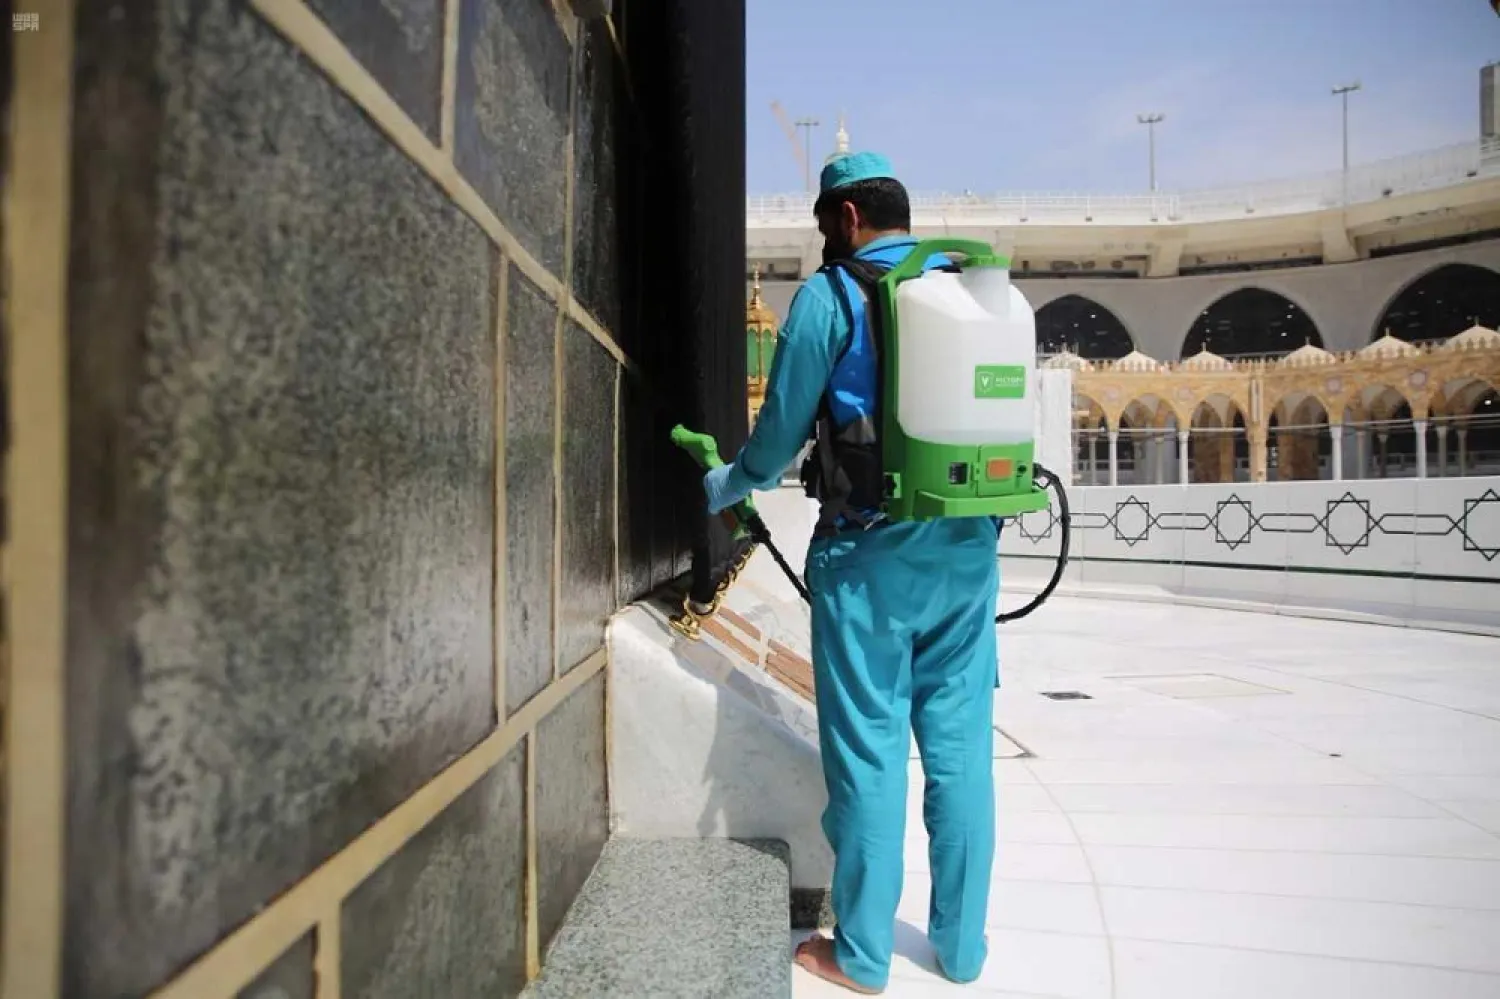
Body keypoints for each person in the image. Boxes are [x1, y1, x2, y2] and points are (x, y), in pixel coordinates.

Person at [702, 151, 999, 993]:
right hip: (969, 550)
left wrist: (721, 482)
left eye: (824, 221)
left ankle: (863, 954)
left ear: (850, 219)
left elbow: (773, 445)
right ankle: (964, 947)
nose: (822, 236)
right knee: (961, 753)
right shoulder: (966, 288)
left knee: (871, 756)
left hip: (870, 561)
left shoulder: (830, 299)